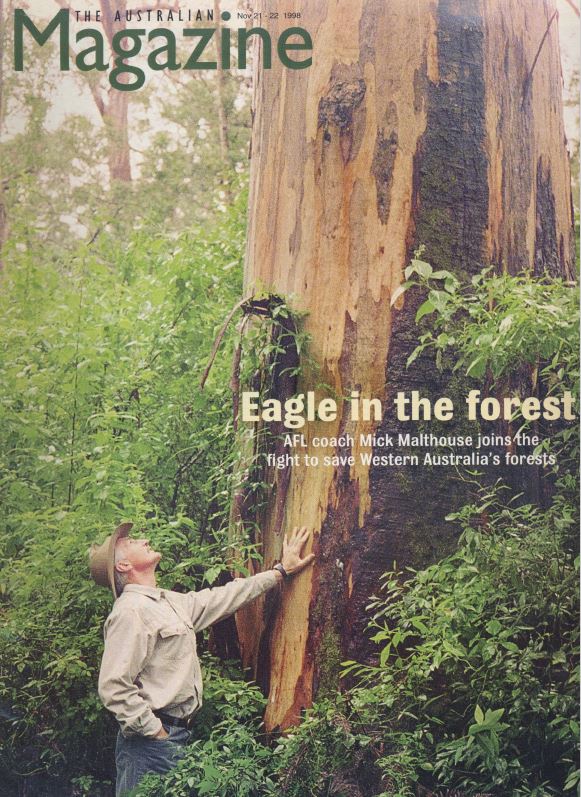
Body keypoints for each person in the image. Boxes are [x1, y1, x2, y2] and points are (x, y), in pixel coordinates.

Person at [88, 522, 314, 797]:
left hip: (178, 737)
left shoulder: (167, 602)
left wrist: (279, 572)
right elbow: (113, 686)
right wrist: (155, 731)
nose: (143, 539)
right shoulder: (130, 611)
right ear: (123, 566)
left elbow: (223, 597)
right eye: (131, 542)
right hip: (149, 746)